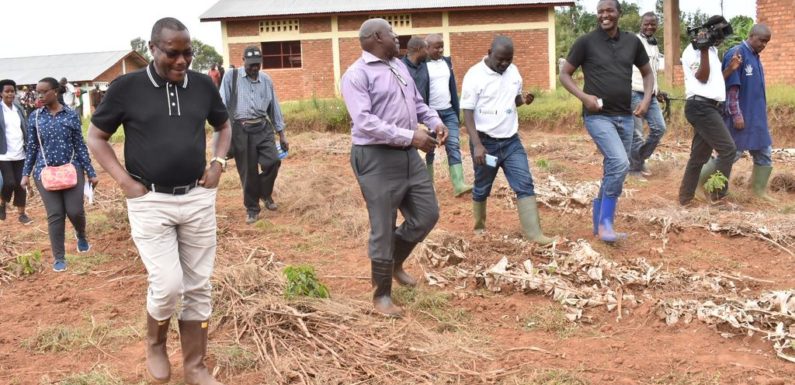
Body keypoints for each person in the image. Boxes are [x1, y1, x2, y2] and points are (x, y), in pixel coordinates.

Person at [87, 17, 230, 385]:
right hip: (150, 200)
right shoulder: (126, 87)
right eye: (173, 53)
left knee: (198, 284)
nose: (182, 62)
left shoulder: (202, 85)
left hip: (196, 197)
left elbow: (223, 125)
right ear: (153, 48)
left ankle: (195, 365)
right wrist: (124, 182)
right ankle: (155, 343)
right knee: (167, 284)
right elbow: (97, 137)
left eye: (188, 53)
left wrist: (217, 162)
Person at [341, 18, 448, 317]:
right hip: (375, 156)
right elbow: (365, 122)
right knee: (383, 226)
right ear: (377, 37)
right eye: (392, 32)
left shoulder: (398, 65)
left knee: (427, 214)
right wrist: (410, 136)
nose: (398, 36)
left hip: (406, 153)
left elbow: (416, 102)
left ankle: (395, 261)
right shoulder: (356, 75)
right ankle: (381, 296)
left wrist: (434, 121)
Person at [560, 0, 654, 243]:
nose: (604, 15)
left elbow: (647, 73)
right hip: (598, 116)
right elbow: (564, 74)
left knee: (615, 169)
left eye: (609, 10)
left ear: (619, 13)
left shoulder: (632, 41)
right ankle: (605, 225)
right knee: (620, 163)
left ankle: (598, 224)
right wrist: (584, 96)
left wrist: (645, 100)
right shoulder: (586, 42)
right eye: (600, 11)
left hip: (625, 115)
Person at [460, 36, 552, 245]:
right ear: (490, 51)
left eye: (508, 60)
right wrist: (477, 146)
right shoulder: (474, 75)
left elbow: (513, 99)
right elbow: (467, 113)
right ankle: (479, 227)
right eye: (500, 59)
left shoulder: (513, 72)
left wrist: (523, 100)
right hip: (486, 144)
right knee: (482, 186)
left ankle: (534, 234)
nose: (504, 64)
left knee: (524, 183)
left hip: (511, 142)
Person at [21, 77, 98, 271]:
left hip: (72, 169)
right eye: (37, 92)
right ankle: (59, 257)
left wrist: (90, 171)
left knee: (75, 211)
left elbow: (80, 145)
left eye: (43, 91)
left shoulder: (71, 115)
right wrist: (25, 174)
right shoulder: (35, 117)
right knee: (55, 214)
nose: (39, 95)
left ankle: (81, 234)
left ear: (55, 92)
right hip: (45, 172)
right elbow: (31, 148)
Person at [220, 45, 288, 224]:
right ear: (243, 61)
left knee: (273, 161)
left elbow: (275, 107)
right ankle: (252, 208)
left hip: (263, 127)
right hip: (241, 130)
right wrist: (223, 138)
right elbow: (221, 104)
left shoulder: (266, 80)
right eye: (251, 65)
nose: (255, 68)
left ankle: (265, 193)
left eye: (258, 64)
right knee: (248, 171)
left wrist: (281, 134)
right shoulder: (231, 77)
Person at [678, 15, 736, 205]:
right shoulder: (693, 51)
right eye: (719, 34)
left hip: (710, 106)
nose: (720, 39)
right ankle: (718, 196)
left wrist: (730, 69)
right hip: (700, 107)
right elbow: (702, 77)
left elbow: (712, 80)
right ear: (710, 31)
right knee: (728, 150)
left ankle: (685, 199)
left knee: (699, 157)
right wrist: (702, 49)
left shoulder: (711, 50)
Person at [722, 24, 774, 200]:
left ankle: (758, 193)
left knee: (764, 153)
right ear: (751, 36)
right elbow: (732, 89)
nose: (764, 45)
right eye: (762, 40)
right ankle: (712, 187)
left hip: (757, 119)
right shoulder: (737, 53)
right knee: (731, 155)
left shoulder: (755, 56)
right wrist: (736, 115)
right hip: (741, 119)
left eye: (767, 42)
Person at [425, 33, 472, 196]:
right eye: (437, 47)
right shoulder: (422, 65)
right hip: (430, 114)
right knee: (428, 147)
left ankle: (459, 184)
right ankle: (428, 186)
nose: (440, 50)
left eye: (442, 46)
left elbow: (452, 86)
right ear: (427, 48)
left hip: (448, 111)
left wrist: (456, 109)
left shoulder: (446, 62)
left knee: (453, 144)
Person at [628, 12, 668, 180]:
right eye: (646, 24)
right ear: (641, 24)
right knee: (636, 134)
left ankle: (638, 160)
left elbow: (651, 72)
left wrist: (657, 91)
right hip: (635, 91)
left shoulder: (654, 45)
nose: (650, 27)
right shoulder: (633, 42)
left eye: (653, 24)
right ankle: (633, 170)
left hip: (650, 94)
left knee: (659, 128)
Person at [0, 79, 32, 224]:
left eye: (12, 91)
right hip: (4, 154)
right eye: (7, 91)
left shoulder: (18, 108)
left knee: (21, 184)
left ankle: (22, 213)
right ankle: (1, 204)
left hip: (20, 152)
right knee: (9, 183)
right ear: (1, 93)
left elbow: (24, 127)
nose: (10, 94)